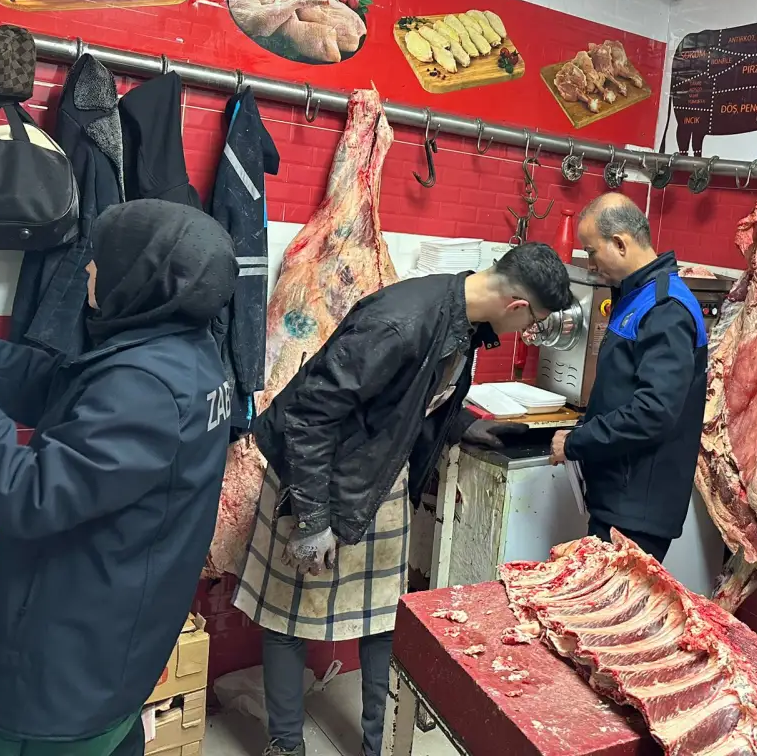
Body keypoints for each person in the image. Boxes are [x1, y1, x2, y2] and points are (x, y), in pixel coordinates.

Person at [234, 242, 573, 756]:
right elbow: (307, 417)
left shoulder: (464, 319)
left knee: (382, 620)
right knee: (289, 615)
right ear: (517, 305)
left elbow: (407, 400)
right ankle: (285, 745)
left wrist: (462, 427)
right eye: (534, 321)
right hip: (313, 475)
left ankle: (381, 747)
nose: (527, 332)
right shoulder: (401, 321)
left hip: (378, 476)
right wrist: (313, 518)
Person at [0, 199, 238, 756]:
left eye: (99, 259)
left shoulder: (146, 388)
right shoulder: (183, 351)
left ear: (142, 274)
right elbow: (54, 385)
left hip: (78, 652)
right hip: (120, 631)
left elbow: (28, 493)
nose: (88, 268)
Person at [548, 193, 708, 562]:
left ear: (620, 243)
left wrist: (576, 442)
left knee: (609, 599)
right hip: (618, 496)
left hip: (636, 508)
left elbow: (654, 411)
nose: (591, 264)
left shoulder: (665, 308)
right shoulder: (637, 295)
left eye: (592, 251)